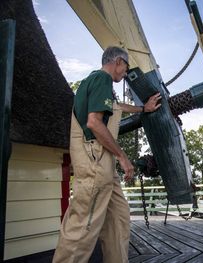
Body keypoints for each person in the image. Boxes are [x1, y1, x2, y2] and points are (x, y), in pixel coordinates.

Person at [53, 46, 161, 263]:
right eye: (126, 68)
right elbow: (94, 123)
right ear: (118, 62)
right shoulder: (102, 79)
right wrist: (122, 156)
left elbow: (117, 106)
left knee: (118, 221)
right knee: (83, 228)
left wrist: (144, 109)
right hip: (95, 164)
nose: (125, 73)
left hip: (106, 168)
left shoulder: (95, 84)